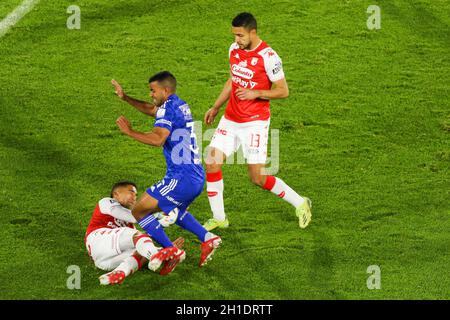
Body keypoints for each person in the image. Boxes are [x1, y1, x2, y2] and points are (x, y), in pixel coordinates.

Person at [203, 12, 312, 231]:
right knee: (212, 161)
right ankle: (219, 218)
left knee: (258, 178)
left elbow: (283, 91)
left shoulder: (269, 57)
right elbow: (233, 79)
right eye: (234, 35)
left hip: (255, 123)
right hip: (231, 119)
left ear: (253, 32)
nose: (237, 40)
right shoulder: (234, 50)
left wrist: (256, 93)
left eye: (241, 35)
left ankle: (300, 202)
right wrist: (216, 106)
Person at [112, 71, 221, 268]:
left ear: (165, 90)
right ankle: (208, 238)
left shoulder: (169, 110)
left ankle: (172, 250)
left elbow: (157, 139)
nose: (151, 95)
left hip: (181, 178)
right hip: (194, 176)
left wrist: (130, 132)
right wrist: (126, 98)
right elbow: (152, 109)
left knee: (139, 211)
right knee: (173, 210)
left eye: (153, 91)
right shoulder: (177, 104)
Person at [85, 181, 186, 286]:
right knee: (138, 236)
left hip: (103, 262)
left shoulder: (129, 226)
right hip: (98, 241)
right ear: (116, 194)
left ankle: (120, 272)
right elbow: (133, 217)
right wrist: (160, 213)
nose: (134, 196)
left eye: (136, 194)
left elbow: (143, 238)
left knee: (140, 250)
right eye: (131, 192)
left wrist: (167, 248)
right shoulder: (106, 202)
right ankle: (156, 255)